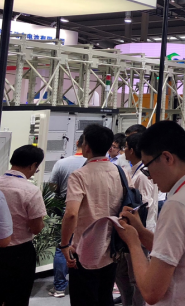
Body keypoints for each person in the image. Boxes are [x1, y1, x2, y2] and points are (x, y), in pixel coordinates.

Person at [113, 120, 185, 306]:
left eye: (148, 167)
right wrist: (140, 232)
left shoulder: (178, 204)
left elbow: (151, 292)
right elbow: (179, 252)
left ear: (167, 158)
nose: (151, 177)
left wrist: (133, 243)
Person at [60, 124, 124, 306]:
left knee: (83, 299)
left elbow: (71, 214)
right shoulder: (119, 172)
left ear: (86, 146)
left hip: (85, 249)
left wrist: (64, 244)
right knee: (105, 297)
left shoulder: (79, 175)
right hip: (111, 247)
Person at [115, 132, 159, 306]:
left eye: (126, 147)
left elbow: (145, 205)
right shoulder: (134, 172)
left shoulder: (142, 175)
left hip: (140, 232)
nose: (124, 150)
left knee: (137, 277)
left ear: (132, 150)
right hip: (133, 232)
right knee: (122, 274)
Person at [0, 145, 46, 306]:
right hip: (19, 254)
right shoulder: (30, 190)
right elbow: (36, 228)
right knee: (17, 298)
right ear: (32, 165)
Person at [48, 135, 87, 298]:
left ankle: (59, 288)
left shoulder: (61, 163)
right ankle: (82, 285)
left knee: (62, 247)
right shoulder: (93, 165)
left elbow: (52, 187)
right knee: (84, 247)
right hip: (87, 213)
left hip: (66, 209)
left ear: (77, 143)